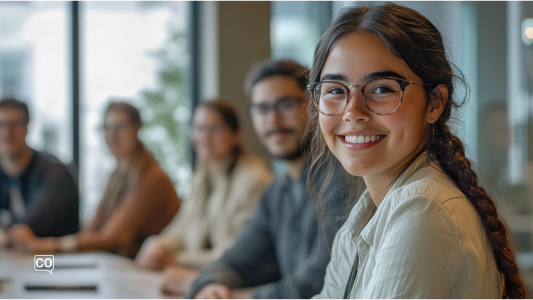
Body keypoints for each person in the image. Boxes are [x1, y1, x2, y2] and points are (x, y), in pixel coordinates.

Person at [308, 3, 528, 298]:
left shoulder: (423, 209)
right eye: (335, 90)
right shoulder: (366, 216)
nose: (353, 112)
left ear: (434, 103)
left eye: (382, 89)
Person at [185, 60, 354, 299]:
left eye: (286, 105)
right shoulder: (277, 192)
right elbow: (235, 260)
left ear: (316, 104)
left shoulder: (345, 180)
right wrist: (211, 285)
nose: (273, 121)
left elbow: (320, 282)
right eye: (262, 110)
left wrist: (239, 298)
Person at [9, 102, 180, 259]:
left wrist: (47, 246)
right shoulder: (117, 176)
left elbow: (114, 237)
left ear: (137, 128)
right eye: (106, 128)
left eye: (119, 127)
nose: (111, 135)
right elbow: (93, 228)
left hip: (146, 272)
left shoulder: (153, 178)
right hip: (120, 267)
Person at [135, 99, 272, 294]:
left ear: (236, 135)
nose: (204, 137)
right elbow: (181, 229)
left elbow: (236, 253)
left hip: (238, 285)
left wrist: (175, 259)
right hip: (205, 278)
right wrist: (158, 246)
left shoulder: (254, 179)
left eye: (214, 129)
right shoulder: (203, 176)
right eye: (199, 128)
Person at [0, 97, 79, 241]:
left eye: (14, 124)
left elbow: (24, 231)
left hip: (54, 260)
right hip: (16, 259)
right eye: (1, 125)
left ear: (27, 127)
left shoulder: (54, 174)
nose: (7, 133)